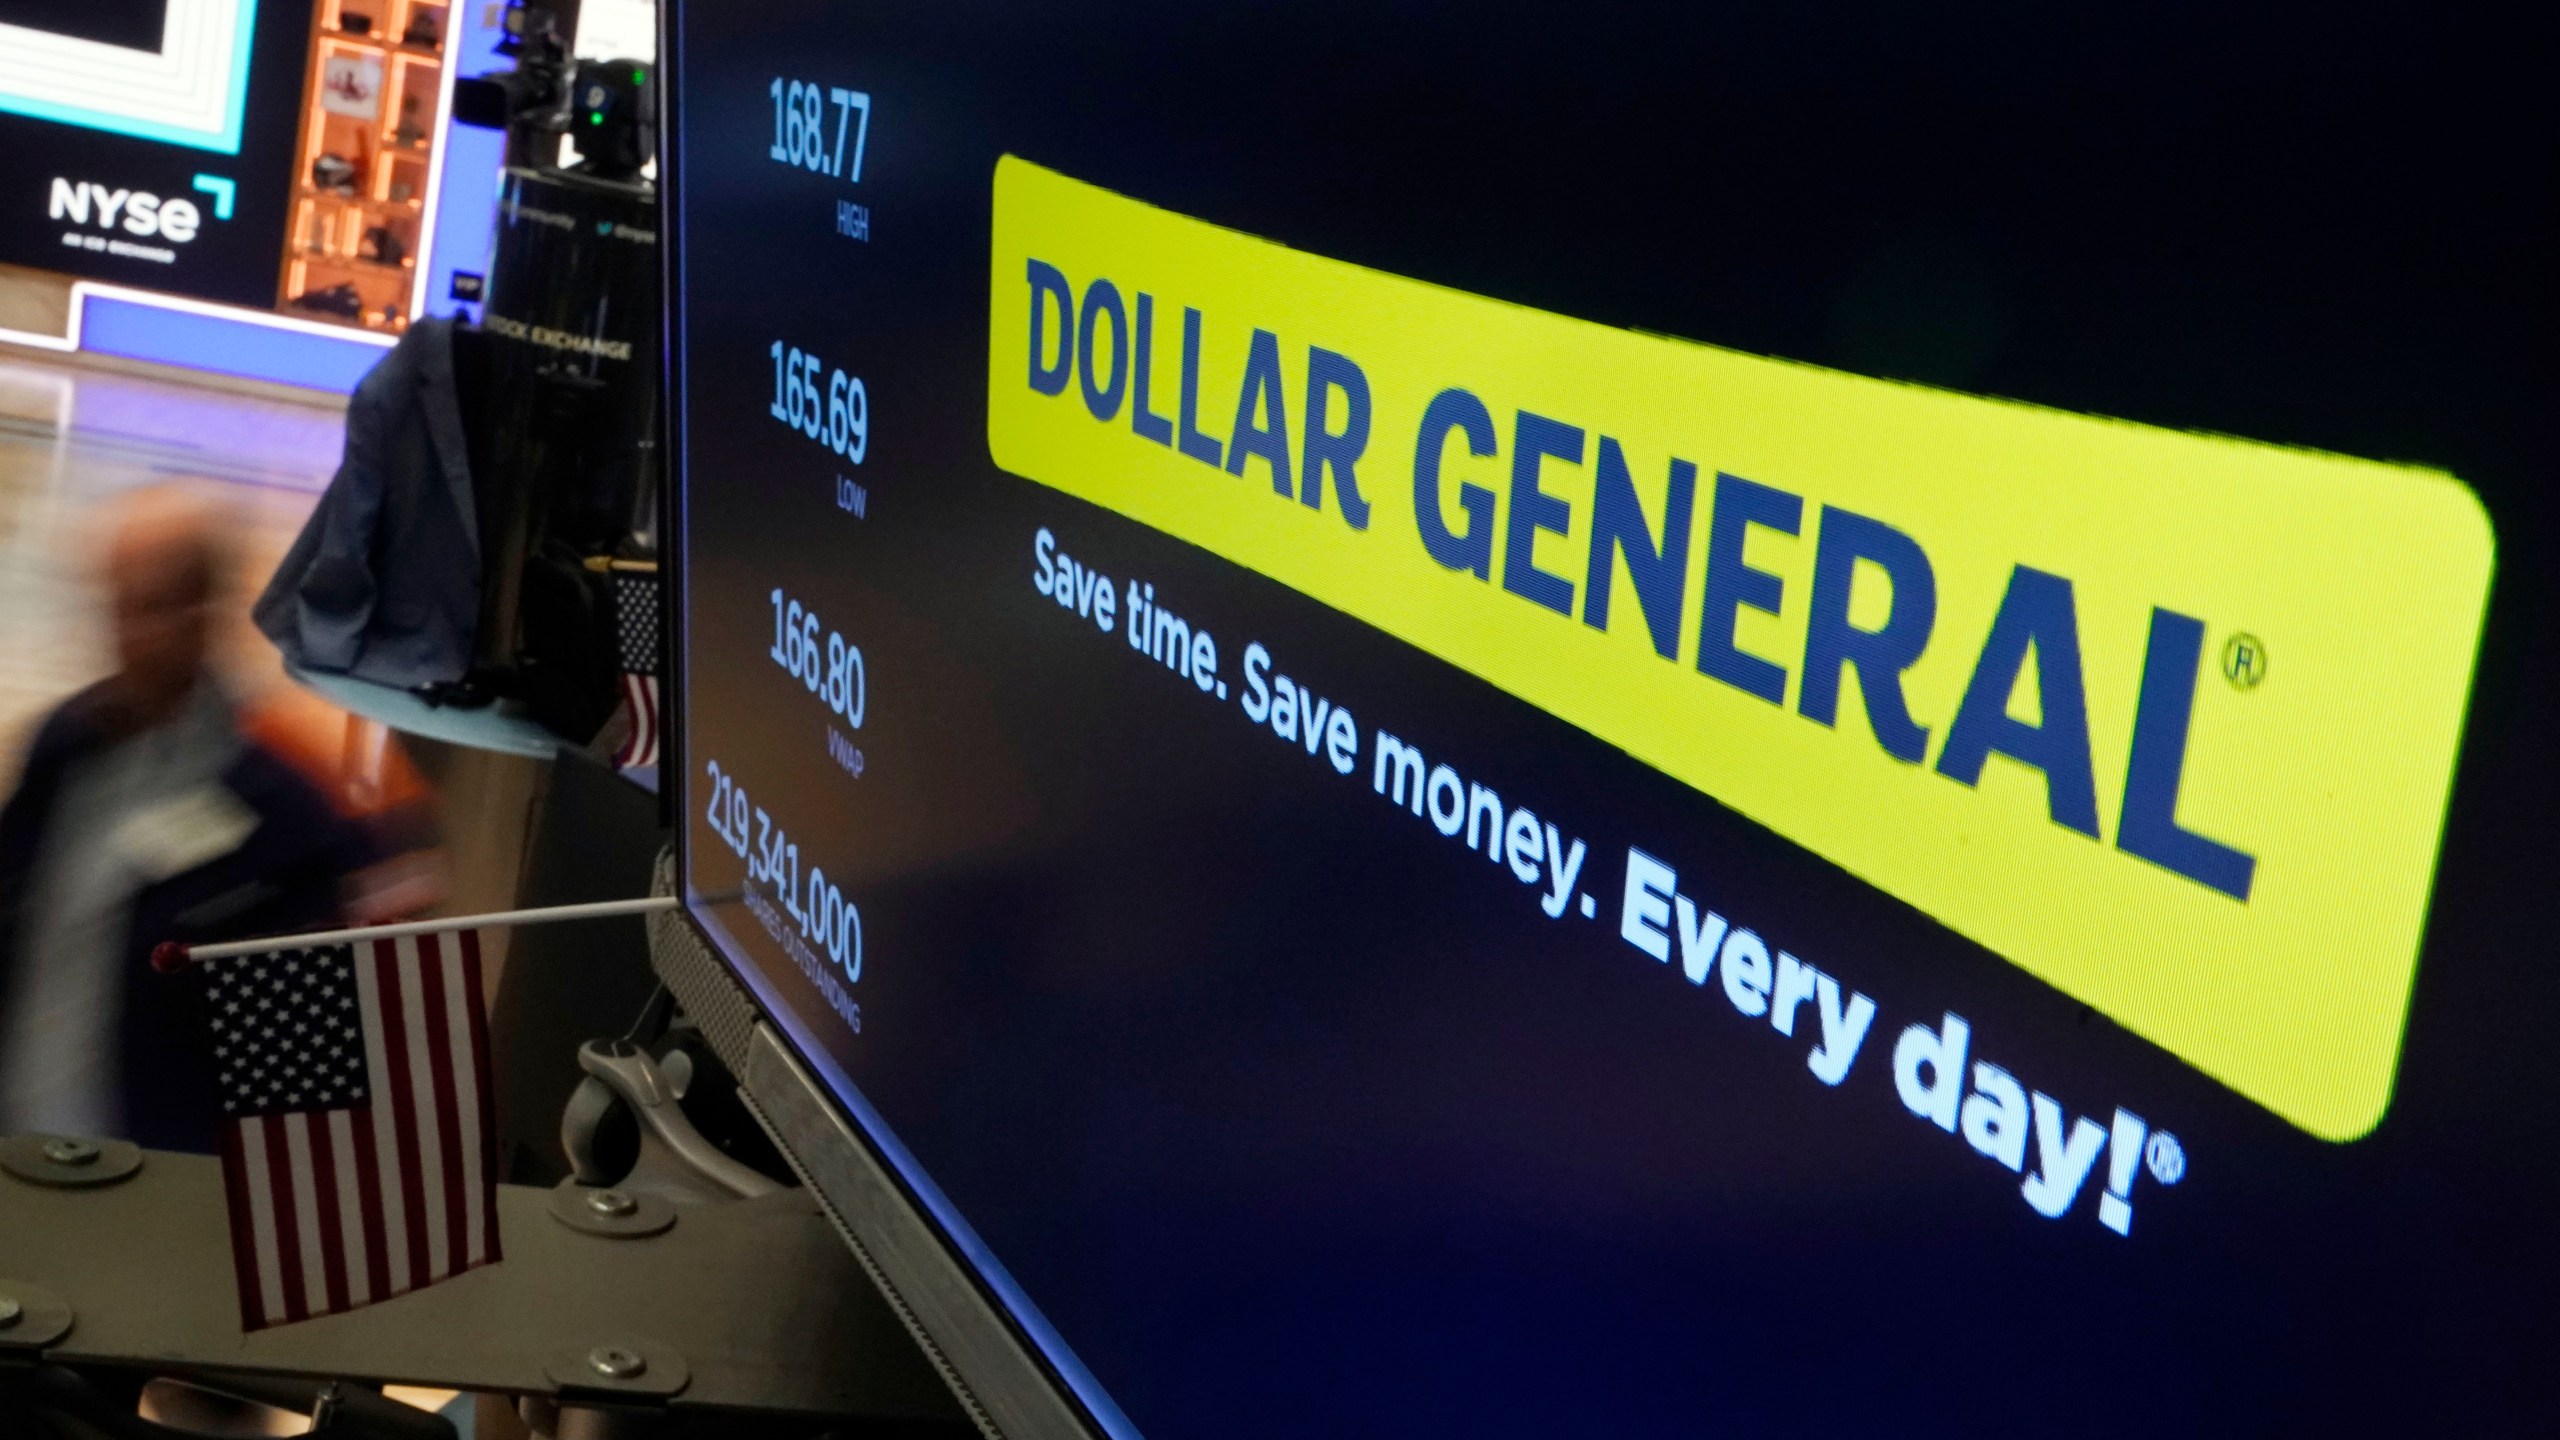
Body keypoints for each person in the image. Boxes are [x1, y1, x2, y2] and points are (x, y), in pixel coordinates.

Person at [0, 485, 439, 1152]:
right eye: (116, 604)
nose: (125, 633)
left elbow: (308, 1078)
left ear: (206, 610)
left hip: (146, 1180)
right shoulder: (67, 746)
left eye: (149, 606)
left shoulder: (285, 809)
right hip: (19, 1150)